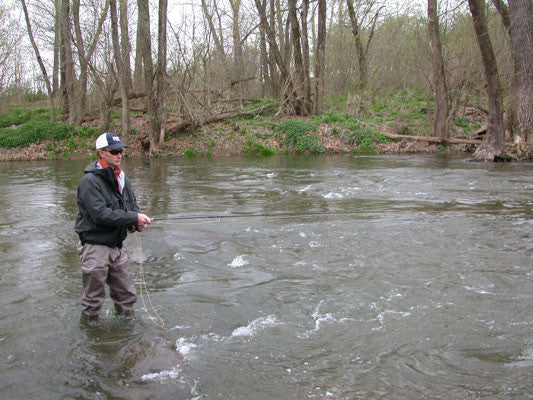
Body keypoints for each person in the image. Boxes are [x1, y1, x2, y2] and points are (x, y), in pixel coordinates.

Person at [75, 132, 153, 323]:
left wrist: (136, 222)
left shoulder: (123, 179)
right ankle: (90, 336)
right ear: (101, 153)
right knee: (93, 300)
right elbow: (100, 215)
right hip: (95, 247)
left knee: (127, 296)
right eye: (115, 151)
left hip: (117, 246)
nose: (119, 155)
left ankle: (125, 334)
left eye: (121, 151)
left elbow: (131, 207)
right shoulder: (89, 182)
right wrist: (133, 217)